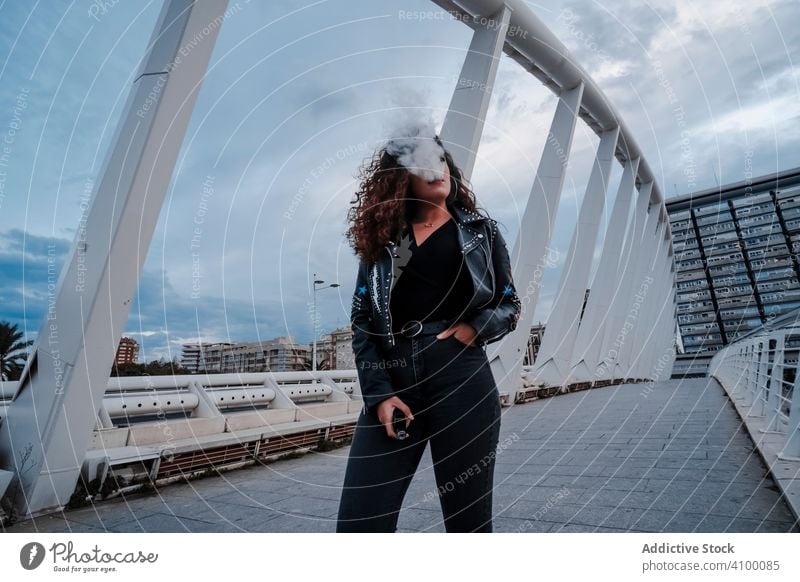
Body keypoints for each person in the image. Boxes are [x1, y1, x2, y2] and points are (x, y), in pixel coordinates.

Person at [336, 127, 521, 533]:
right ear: (401, 177)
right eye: (421, 162)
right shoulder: (385, 241)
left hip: (461, 379)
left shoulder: (479, 232)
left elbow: (510, 303)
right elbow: (363, 321)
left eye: (439, 159)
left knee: (467, 525)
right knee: (359, 523)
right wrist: (380, 394)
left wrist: (474, 329)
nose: (435, 168)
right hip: (395, 383)